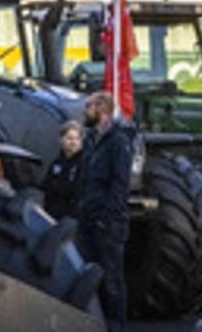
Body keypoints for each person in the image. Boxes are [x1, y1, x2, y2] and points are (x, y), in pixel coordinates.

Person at [76, 91, 133, 332]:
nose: (84, 112)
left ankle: (116, 326)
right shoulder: (90, 140)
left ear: (102, 111)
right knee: (87, 275)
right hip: (87, 217)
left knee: (111, 278)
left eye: (88, 107)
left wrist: (108, 217)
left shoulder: (118, 142)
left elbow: (120, 183)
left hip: (107, 221)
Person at [42, 120, 83, 220]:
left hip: (70, 219)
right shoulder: (56, 163)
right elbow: (46, 186)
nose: (73, 142)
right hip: (51, 215)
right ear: (61, 140)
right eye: (69, 138)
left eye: (77, 138)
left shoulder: (84, 164)